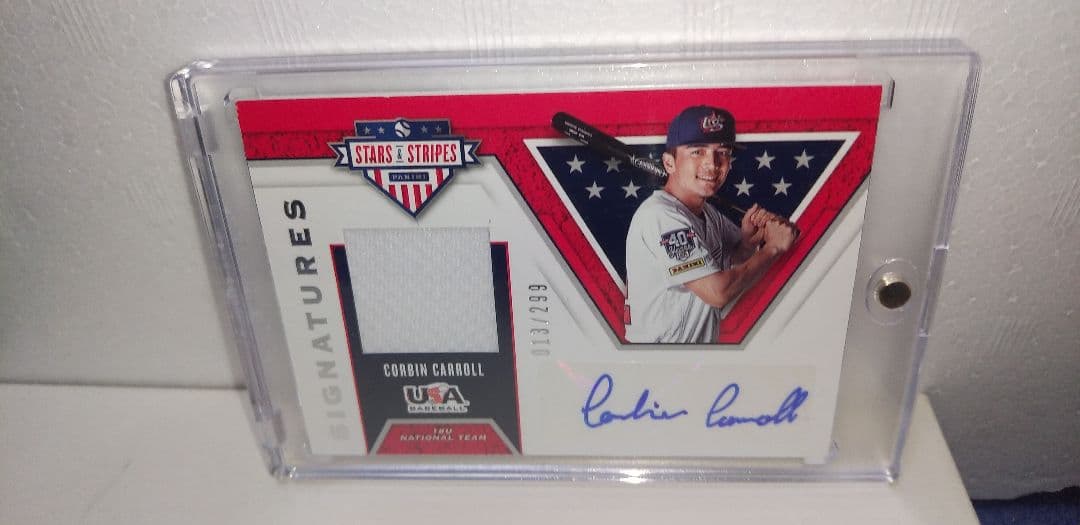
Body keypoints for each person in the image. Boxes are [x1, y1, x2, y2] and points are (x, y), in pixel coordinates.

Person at [624, 106, 797, 344]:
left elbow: (731, 264)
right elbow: (718, 292)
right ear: (669, 163)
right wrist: (773, 248)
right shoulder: (661, 216)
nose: (713, 164)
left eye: (722, 152)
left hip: (692, 358)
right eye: (697, 152)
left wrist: (747, 244)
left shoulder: (708, 213)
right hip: (660, 359)